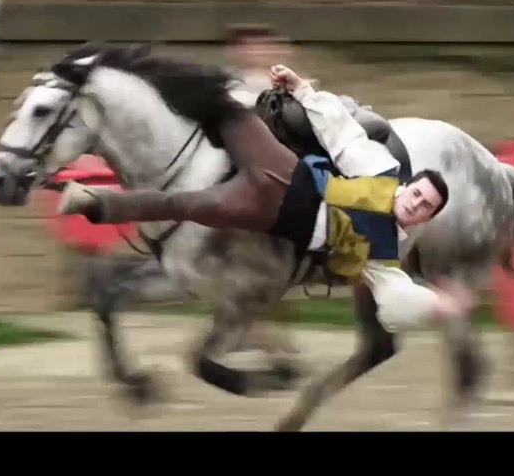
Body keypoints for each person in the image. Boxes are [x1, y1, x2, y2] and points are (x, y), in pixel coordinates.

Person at [57, 64, 467, 333]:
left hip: (273, 214)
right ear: (408, 186)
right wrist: (302, 89)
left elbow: (397, 300)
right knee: (229, 107)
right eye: (417, 194)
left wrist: (440, 306)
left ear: (423, 219)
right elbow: (343, 136)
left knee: (189, 205)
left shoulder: (385, 252)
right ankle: (121, 81)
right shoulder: (381, 170)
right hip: (287, 171)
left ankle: (92, 203)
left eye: (424, 207)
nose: (416, 204)